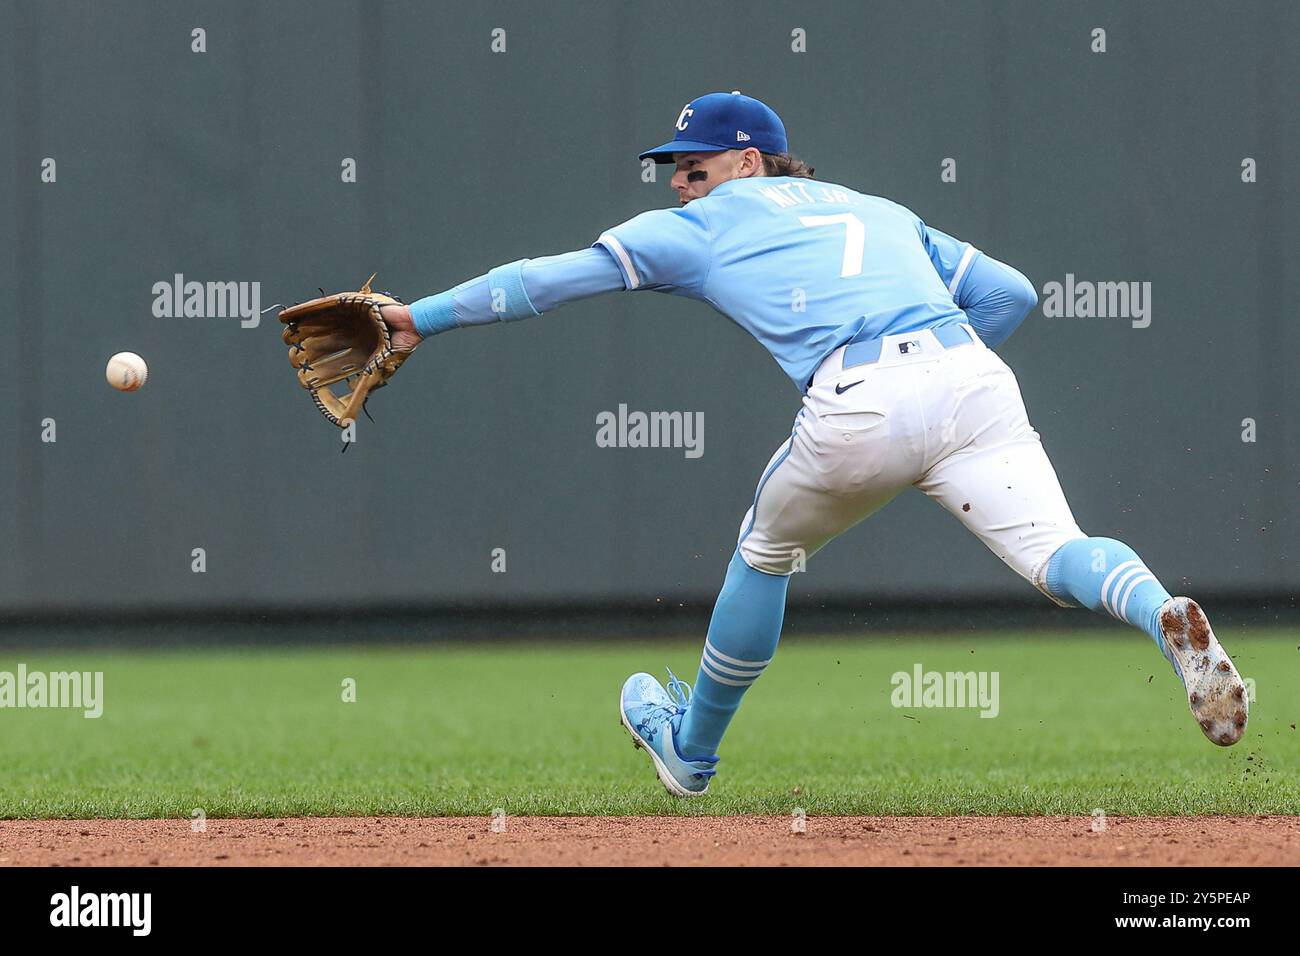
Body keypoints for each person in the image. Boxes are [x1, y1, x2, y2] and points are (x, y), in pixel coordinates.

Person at [380, 91, 1248, 797]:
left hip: (859, 401)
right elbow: (1012, 293)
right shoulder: (879, 209)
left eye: (695, 166)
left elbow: (544, 280)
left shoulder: (704, 224)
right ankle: (1163, 614)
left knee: (764, 555)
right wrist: (940, 392)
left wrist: (417, 319)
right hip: (969, 376)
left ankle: (691, 754)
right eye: (673, 172)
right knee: (1062, 554)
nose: (680, 183)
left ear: (748, 162)